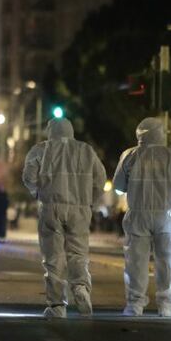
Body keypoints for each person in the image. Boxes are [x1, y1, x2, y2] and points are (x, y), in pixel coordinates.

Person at [22, 117, 107, 318]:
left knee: (53, 256)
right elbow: (100, 178)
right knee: (78, 252)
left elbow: (28, 177)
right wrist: (89, 200)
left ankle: (57, 306)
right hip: (79, 208)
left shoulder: (40, 149)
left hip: (51, 207)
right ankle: (80, 287)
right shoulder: (86, 150)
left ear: (50, 131)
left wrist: (37, 192)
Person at [113, 117, 171, 317]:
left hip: (138, 214)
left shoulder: (130, 155)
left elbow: (119, 185)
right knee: (168, 260)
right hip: (166, 214)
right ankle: (166, 305)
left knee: (136, 261)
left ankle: (135, 305)